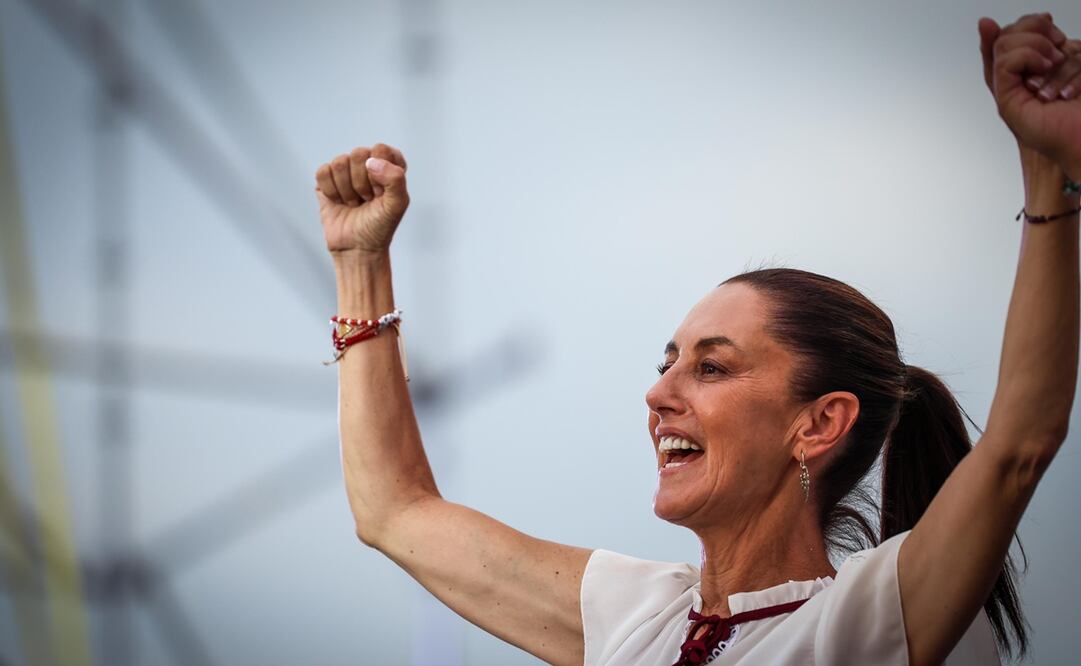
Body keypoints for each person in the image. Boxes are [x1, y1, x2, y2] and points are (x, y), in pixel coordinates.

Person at [312, 12, 1081, 665]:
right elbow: (393, 511)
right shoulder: (634, 614)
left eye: (711, 368)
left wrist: (1048, 173)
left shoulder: (874, 616)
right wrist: (358, 264)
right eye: (667, 362)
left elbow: (1017, 445)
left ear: (818, 423)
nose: (657, 394)